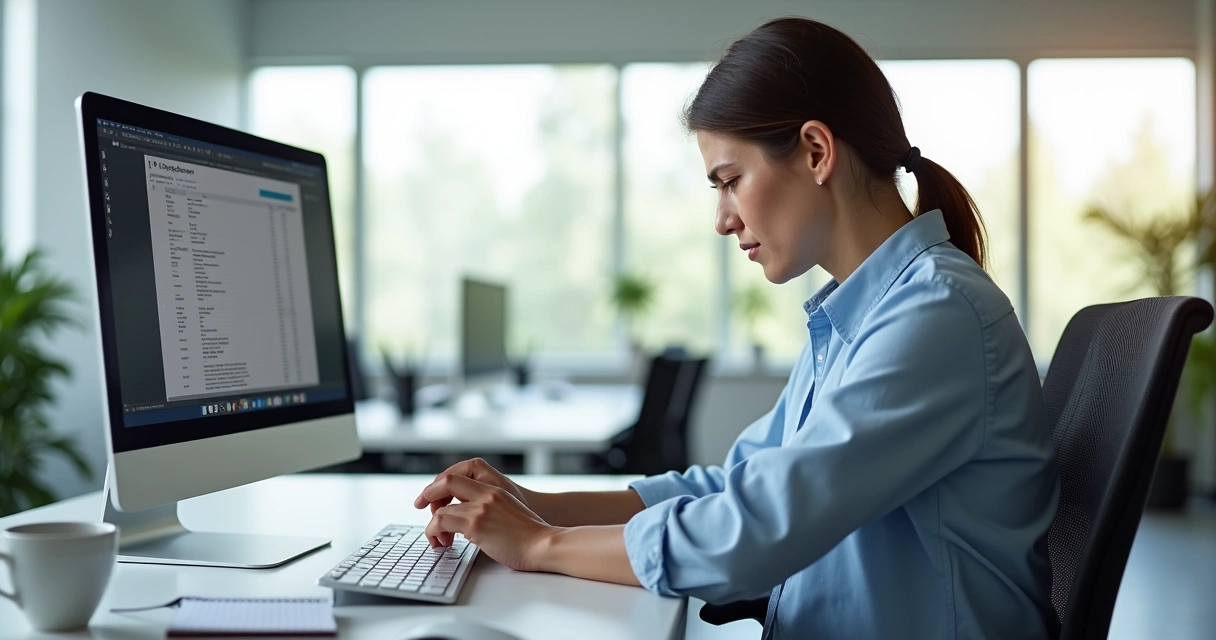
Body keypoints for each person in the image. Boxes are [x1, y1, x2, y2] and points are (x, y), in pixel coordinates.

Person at [413, 16, 1059, 639]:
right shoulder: (862, 316)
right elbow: (731, 487)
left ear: (816, 151)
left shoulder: (936, 315)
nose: (722, 219)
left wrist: (541, 545)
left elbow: (751, 532)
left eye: (730, 181)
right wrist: (535, 505)